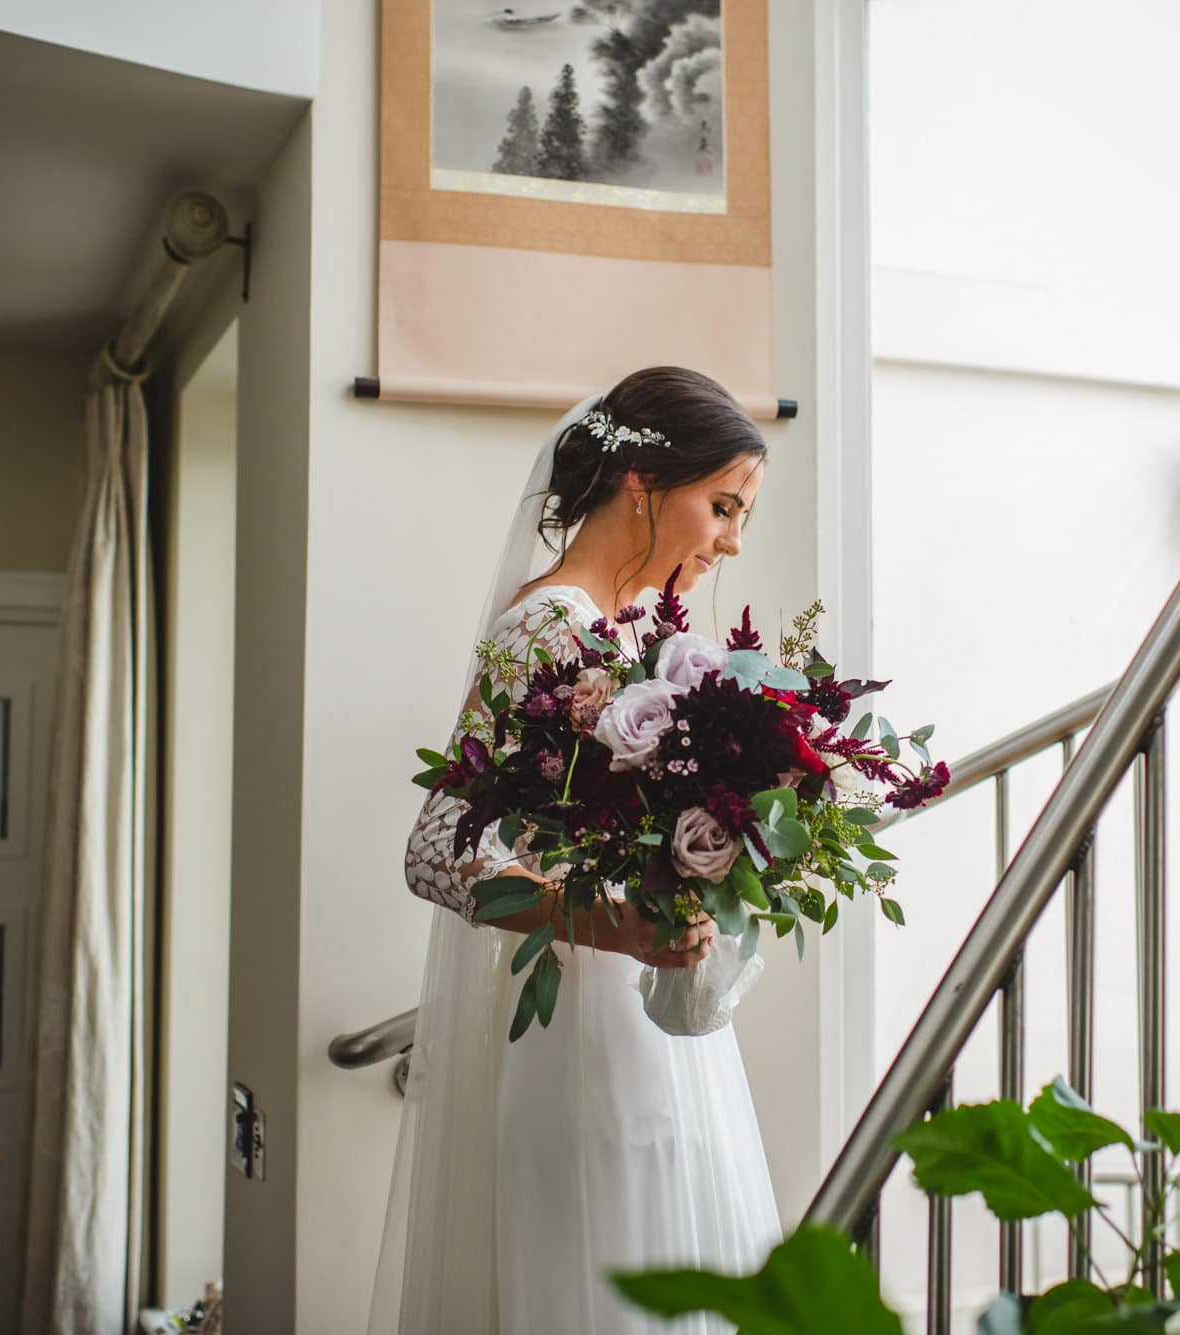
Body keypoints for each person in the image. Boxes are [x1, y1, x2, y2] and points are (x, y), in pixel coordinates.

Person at [369, 367, 784, 1334]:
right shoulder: (545, 626)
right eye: (722, 506)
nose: (730, 543)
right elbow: (435, 847)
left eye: (742, 517)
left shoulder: (646, 633)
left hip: (667, 1037)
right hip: (581, 1041)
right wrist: (604, 923)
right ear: (641, 485)